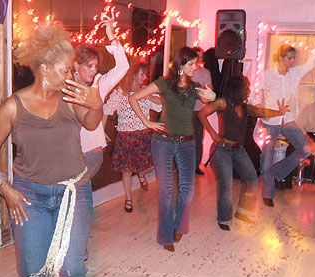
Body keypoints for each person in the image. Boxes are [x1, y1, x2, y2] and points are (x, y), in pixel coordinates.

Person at [0, 22, 104, 277]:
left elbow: (91, 123)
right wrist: (3, 185)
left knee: (72, 269)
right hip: (29, 197)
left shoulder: (70, 98)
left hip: (74, 192)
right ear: (44, 69)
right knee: (33, 273)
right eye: (66, 69)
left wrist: (96, 104)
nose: (71, 74)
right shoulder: (13, 106)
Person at [129, 46, 216, 252]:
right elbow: (134, 98)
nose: (196, 67)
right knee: (166, 190)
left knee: (188, 189)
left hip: (187, 142)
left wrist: (211, 95)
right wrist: (148, 123)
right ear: (181, 63)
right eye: (192, 64)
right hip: (163, 142)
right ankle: (165, 236)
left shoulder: (195, 87)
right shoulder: (164, 83)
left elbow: (206, 98)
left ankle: (180, 226)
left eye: (197, 63)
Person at [199, 75, 289, 229]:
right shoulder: (223, 102)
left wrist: (279, 112)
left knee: (252, 179)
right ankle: (224, 218)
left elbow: (261, 112)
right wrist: (213, 134)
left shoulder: (245, 107)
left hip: (238, 149)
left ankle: (242, 212)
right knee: (225, 184)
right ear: (238, 89)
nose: (248, 91)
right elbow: (201, 114)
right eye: (246, 88)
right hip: (222, 150)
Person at [258, 31, 315, 208]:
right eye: (290, 58)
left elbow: (311, 63)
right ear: (281, 58)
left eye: (294, 59)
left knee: (306, 148)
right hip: (270, 122)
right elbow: (254, 94)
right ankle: (267, 193)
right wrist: (263, 111)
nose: (293, 62)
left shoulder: (295, 74)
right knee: (266, 159)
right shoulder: (267, 74)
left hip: (289, 120)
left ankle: (276, 172)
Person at [77, 14, 129, 182]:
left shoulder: (100, 84)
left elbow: (123, 67)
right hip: (69, 153)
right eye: (89, 65)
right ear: (76, 65)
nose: (93, 70)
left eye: (95, 66)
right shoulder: (65, 87)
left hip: (92, 152)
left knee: (78, 195)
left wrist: (112, 37)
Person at [103, 63, 162, 213]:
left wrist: (148, 95)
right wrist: (101, 131)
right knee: (127, 170)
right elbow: (107, 110)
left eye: (145, 75)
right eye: (142, 74)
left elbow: (160, 104)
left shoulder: (144, 90)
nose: (144, 78)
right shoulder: (120, 92)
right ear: (133, 74)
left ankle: (142, 174)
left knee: (153, 164)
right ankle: (128, 198)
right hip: (125, 136)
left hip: (143, 135)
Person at [191, 47, 212, 175]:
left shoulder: (206, 73)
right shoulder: (186, 70)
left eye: (200, 56)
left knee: (198, 139)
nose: (199, 59)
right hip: (186, 110)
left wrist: (202, 93)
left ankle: (196, 165)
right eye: (196, 56)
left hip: (199, 110)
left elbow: (207, 93)